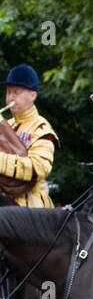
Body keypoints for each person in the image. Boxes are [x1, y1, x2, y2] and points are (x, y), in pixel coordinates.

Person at [0, 63, 58, 209]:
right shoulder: (6, 124)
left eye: (16, 92)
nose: (10, 97)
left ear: (32, 95)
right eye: (8, 92)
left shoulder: (42, 128)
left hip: (31, 209)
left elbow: (38, 168)